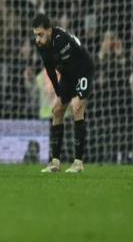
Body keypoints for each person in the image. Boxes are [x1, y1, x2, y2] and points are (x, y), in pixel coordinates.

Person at [32, 14, 94, 173]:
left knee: (77, 107)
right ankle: (55, 163)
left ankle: (78, 163)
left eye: (40, 34)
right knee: (57, 110)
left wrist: (74, 95)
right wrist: (58, 91)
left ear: (49, 30)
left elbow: (71, 67)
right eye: (35, 35)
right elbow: (50, 69)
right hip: (68, 73)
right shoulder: (41, 44)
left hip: (83, 70)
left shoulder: (61, 40)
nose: (38, 39)